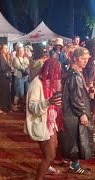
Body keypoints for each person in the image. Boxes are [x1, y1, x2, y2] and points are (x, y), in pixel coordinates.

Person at [25, 58, 62, 180]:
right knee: (50, 156)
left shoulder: (48, 81)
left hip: (50, 122)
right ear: (50, 70)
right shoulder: (36, 83)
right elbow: (32, 107)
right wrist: (48, 102)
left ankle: (47, 167)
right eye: (56, 71)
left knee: (53, 148)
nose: (58, 75)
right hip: (41, 123)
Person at [59, 47, 93, 175]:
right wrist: (82, 113)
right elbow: (76, 97)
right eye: (83, 59)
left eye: (86, 59)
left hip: (70, 112)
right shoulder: (76, 75)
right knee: (76, 139)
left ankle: (71, 162)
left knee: (73, 139)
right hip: (73, 113)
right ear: (76, 59)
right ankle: (75, 165)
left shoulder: (73, 72)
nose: (85, 61)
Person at [12, 46, 30, 111]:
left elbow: (28, 65)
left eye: (22, 51)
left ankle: (22, 106)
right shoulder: (15, 59)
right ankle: (15, 106)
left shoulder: (25, 58)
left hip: (25, 77)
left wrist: (24, 66)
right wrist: (25, 65)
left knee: (26, 92)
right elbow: (19, 67)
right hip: (19, 77)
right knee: (19, 93)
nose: (21, 52)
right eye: (20, 51)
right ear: (17, 52)